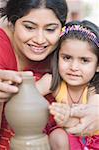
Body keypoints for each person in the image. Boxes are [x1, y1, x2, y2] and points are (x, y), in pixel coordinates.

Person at [0, 0, 68, 149]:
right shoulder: (1, 47)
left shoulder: (66, 52)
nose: (40, 40)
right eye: (29, 27)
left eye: (50, 29)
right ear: (12, 22)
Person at [36, 20, 99, 150]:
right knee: (57, 136)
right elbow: (26, 95)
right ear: (57, 57)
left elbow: (87, 121)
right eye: (67, 58)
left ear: (97, 65)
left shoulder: (94, 90)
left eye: (84, 60)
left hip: (93, 141)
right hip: (71, 140)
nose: (74, 67)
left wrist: (67, 118)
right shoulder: (53, 81)